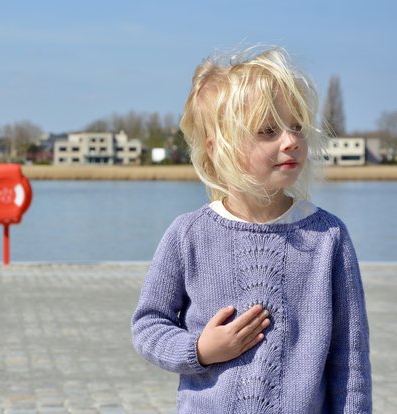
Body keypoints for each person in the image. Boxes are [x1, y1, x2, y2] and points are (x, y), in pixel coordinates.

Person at [131, 46, 372, 413]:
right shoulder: (189, 234)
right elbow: (148, 325)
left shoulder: (328, 237)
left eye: (297, 127)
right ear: (218, 149)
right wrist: (199, 350)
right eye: (268, 130)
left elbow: (349, 360)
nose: (290, 140)